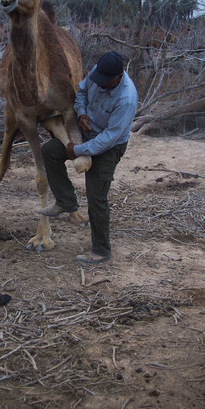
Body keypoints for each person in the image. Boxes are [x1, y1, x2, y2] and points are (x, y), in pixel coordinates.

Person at [39, 51, 138, 264]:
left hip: (109, 146)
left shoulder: (126, 99)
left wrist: (79, 149)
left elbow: (110, 138)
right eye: (99, 79)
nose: (100, 84)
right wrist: (82, 113)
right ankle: (66, 201)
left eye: (106, 82)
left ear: (119, 76)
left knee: (96, 196)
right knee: (50, 152)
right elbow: (82, 91)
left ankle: (101, 250)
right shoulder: (98, 72)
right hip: (85, 130)